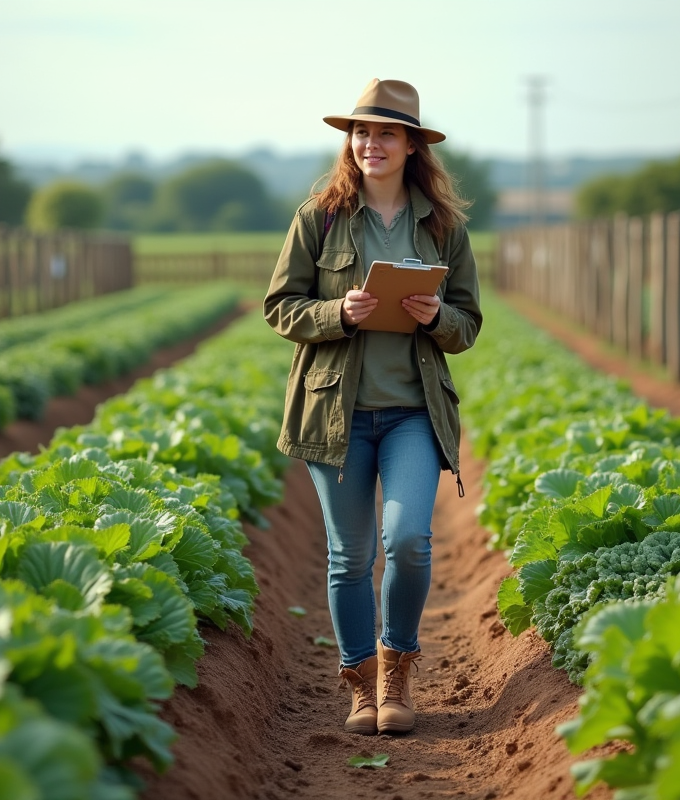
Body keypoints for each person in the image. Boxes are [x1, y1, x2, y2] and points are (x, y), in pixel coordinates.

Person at [264, 78, 482, 736]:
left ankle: (397, 669)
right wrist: (340, 312)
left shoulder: (444, 227)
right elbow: (281, 307)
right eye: (361, 132)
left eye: (386, 132)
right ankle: (360, 685)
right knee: (348, 556)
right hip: (336, 415)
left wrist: (437, 314)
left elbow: (468, 324)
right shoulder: (319, 218)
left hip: (413, 413)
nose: (370, 143)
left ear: (413, 144)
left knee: (410, 541)